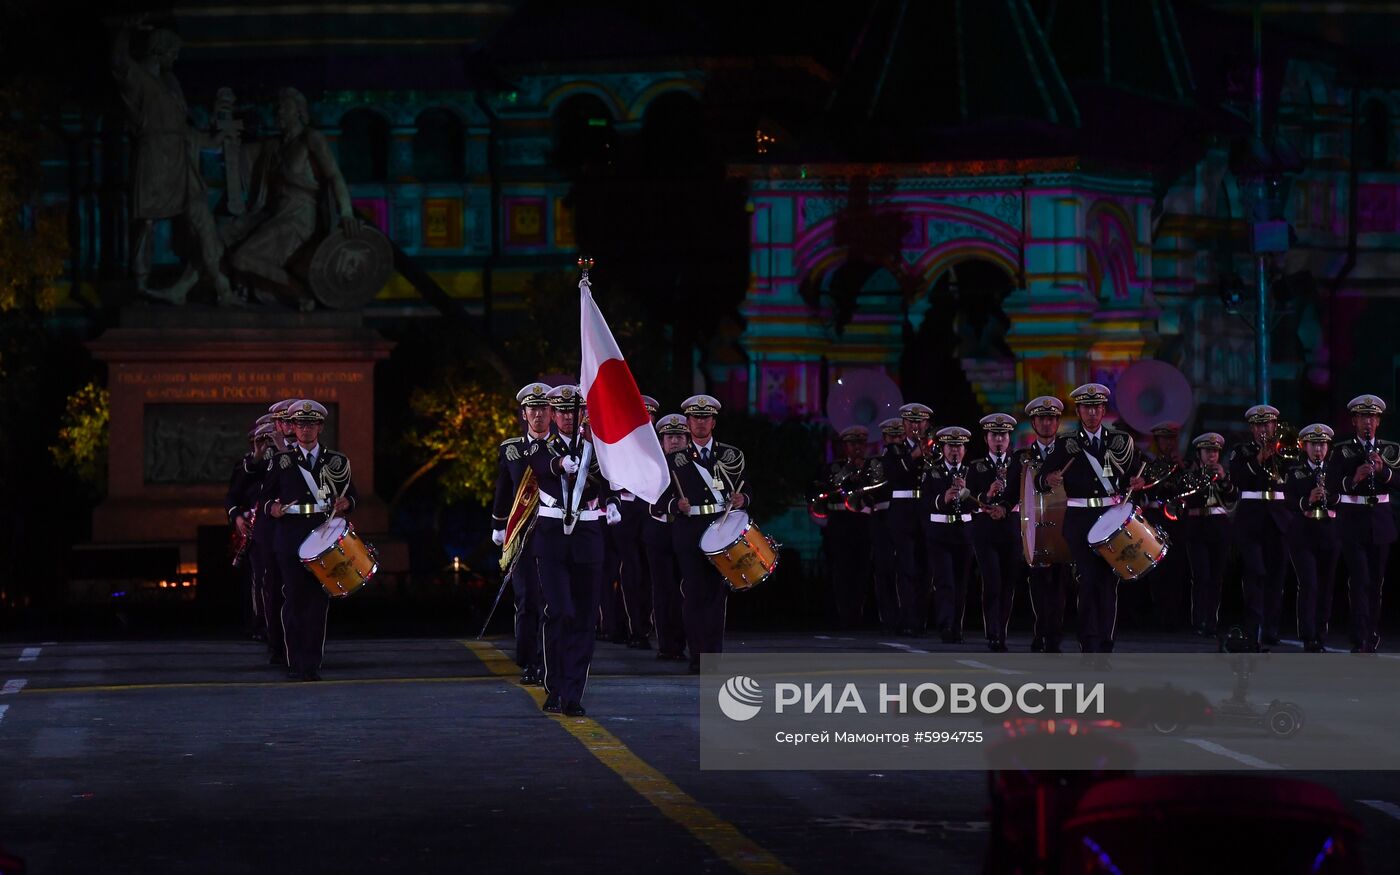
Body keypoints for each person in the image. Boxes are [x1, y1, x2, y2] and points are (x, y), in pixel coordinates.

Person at [109, 14, 237, 306]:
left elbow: (183, 130)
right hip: (155, 159)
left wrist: (212, 141)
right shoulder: (140, 78)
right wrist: (124, 31)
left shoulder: (171, 82)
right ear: (160, 51)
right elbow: (118, 64)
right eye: (173, 53)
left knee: (202, 219)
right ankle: (140, 282)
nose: (176, 58)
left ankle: (221, 286)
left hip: (181, 161)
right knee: (147, 220)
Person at [526, 385, 620, 715]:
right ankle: (554, 685)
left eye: (572, 411)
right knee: (560, 611)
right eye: (561, 411)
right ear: (552, 414)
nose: (568, 417)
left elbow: (609, 479)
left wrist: (612, 502)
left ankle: (573, 694)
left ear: (582, 414)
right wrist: (559, 463)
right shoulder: (541, 446)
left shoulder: (597, 448)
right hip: (552, 538)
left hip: (588, 535)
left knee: (583, 618)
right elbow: (541, 467)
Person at [223, 87, 358, 310]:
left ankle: (298, 290)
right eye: (277, 110)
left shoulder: (310, 138)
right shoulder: (274, 146)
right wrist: (225, 127)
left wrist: (346, 212)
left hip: (299, 217)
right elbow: (237, 153)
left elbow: (334, 175)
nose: (279, 114)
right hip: (274, 213)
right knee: (225, 233)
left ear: (298, 111)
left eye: (284, 108)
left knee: (241, 258)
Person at [1038, 384, 1146, 659]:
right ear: (1079, 411)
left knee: (1109, 583)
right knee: (1088, 581)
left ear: (1103, 410)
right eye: (1087, 407)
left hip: (1111, 520)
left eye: (1097, 407)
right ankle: (1089, 642)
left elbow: (1138, 473)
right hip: (1079, 522)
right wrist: (1049, 480)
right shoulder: (1066, 443)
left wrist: (1139, 482)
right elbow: (1041, 478)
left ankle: (1106, 644)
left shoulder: (1120, 441)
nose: (1092, 413)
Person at [653, 395, 751, 673]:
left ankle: (714, 656)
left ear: (713, 422)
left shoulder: (731, 455)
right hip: (690, 530)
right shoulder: (675, 460)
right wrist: (675, 505)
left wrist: (744, 498)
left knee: (717, 594)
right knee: (695, 593)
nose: (700, 423)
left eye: (705, 418)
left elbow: (749, 487)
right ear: (688, 422)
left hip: (722, 528)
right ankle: (697, 656)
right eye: (696, 418)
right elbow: (657, 498)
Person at [261, 400, 357, 681]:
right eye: (300, 424)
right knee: (294, 599)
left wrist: (346, 503)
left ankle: (312, 662)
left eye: (310, 424)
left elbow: (354, 494)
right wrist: (273, 508)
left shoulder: (336, 461)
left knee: (318, 602)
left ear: (320, 427)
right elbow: (265, 498)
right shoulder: (281, 461)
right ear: (293, 428)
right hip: (290, 537)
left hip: (323, 538)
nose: (305, 430)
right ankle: (295, 660)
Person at [491, 382, 553, 685]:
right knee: (526, 598)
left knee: (549, 599)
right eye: (533, 409)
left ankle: (547, 660)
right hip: (520, 534)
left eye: (543, 408)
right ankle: (528, 660)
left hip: (554, 533)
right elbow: (503, 490)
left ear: (551, 412)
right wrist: (498, 525)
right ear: (524, 413)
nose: (538, 414)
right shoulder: (511, 449)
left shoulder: (561, 448)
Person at [1326, 395, 1397, 653]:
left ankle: (1371, 632)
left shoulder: (1392, 450)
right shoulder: (1341, 450)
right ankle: (1359, 637)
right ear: (1354, 420)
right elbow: (1332, 486)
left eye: (1373, 417)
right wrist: (1354, 478)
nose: (1368, 422)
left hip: (1380, 521)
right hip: (1353, 520)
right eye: (1363, 417)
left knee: (1376, 582)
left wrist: (1383, 472)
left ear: (1378, 421)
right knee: (1360, 579)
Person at [1227, 404, 1292, 647]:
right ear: (1251, 428)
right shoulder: (1241, 451)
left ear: (1274, 426)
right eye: (1258, 425)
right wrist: (1258, 459)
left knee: (1277, 576)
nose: (1263, 430)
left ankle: (1271, 629)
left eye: (1267, 425)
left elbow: (1293, 480)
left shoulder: (1285, 451)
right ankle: (1253, 627)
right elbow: (1237, 479)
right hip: (1251, 520)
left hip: (1279, 519)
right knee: (1256, 573)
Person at [603, 394, 660, 649]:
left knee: (647, 571)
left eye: (649, 417)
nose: (646, 421)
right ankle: (627, 627)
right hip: (624, 508)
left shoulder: (657, 446)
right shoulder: (620, 443)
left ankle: (642, 626)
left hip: (649, 509)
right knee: (629, 570)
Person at [823, 425, 888, 628]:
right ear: (845, 446)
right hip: (840, 524)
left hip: (863, 522)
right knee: (841, 571)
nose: (857, 448)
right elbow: (830, 488)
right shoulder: (835, 467)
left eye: (860, 443)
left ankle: (859, 614)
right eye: (852, 444)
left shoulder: (872, 466)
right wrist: (848, 471)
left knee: (863, 570)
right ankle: (843, 615)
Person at [1019, 396, 1070, 653]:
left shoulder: (1069, 455)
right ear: (1034, 422)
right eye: (1042, 419)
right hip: (1035, 531)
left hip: (1061, 529)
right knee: (1038, 584)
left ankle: (1054, 636)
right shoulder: (1022, 458)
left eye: (1052, 419)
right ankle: (1041, 630)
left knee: (1060, 585)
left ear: (1058, 422)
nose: (1047, 423)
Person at [968, 413, 1022, 652]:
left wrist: (1005, 506)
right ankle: (993, 633)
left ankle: (1002, 631)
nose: (999, 439)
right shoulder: (976, 466)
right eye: (994, 435)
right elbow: (967, 498)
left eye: (1003, 435)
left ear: (1009, 438)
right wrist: (987, 496)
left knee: (1009, 583)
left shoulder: (1019, 465)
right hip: (985, 530)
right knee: (992, 582)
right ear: (986, 438)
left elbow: (1023, 494)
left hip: (1011, 527)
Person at [1286, 424, 1341, 652]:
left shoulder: (1335, 471)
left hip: (1329, 532)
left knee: (1327, 586)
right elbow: (1289, 500)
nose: (1318, 449)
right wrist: (1307, 499)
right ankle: (1308, 635)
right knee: (1309, 584)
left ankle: (1321, 632)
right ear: (1305, 446)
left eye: (1322, 445)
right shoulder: (1295, 471)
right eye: (1314, 445)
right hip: (1303, 534)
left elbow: (1343, 495)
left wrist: (1331, 496)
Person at [1179, 433, 1238, 639]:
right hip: (1197, 526)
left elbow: (1232, 497)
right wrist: (1202, 477)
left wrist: (1223, 479)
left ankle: (1212, 621)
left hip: (1219, 527)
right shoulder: (1189, 473)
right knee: (1201, 575)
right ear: (1199, 453)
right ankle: (1199, 620)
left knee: (1216, 577)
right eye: (1208, 451)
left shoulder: (1225, 473)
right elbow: (1187, 496)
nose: (1212, 455)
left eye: (1215, 452)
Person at [922, 426, 975, 644]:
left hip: (964, 533)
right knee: (945, 581)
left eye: (959, 446)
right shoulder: (932, 472)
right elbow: (925, 502)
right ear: (943, 448)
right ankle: (945, 624)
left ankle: (957, 626)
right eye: (951, 446)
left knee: (961, 583)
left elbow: (981, 503)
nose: (955, 451)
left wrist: (967, 492)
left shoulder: (972, 473)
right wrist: (942, 499)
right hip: (940, 534)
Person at [227, 417, 277, 643]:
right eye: (260, 439)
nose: (266, 443)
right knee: (258, 579)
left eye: (270, 437)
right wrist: (237, 517)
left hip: (279, 526)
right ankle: (259, 625)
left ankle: (278, 624)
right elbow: (233, 495)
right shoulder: (246, 464)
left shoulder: (284, 461)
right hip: (254, 529)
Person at [886, 403, 933, 634]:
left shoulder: (934, 449)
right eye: (911, 422)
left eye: (920, 422)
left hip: (925, 508)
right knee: (907, 567)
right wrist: (915, 454)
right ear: (903, 425)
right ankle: (908, 619)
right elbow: (893, 475)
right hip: (903, 511)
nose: (915, 426)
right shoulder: (894, 450)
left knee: (926, 567)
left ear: (926, 424)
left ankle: (922, 619)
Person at [647, 414, 691, 662]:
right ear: (661, 440)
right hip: (661, 534)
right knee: (664, 592)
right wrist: (674, 505)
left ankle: (687, 641)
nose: (674, 441)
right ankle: (667, 645)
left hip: (687, 533)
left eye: (679, 436)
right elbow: (652, 502)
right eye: (669, 437)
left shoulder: (695, 466)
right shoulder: (655, 466)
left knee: (690, 590)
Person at [1140, 421, 1188, 631]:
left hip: (1175, 519)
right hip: (1154, 516)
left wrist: (1182, 468)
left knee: (1176, 567)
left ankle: (1175, 615)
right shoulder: (1149, 464)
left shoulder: (1183, 463)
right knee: (1156, 568)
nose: (1167, 444)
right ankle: (1158, 615)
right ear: (1157, 441)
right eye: (1163, 439)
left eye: (1171, 439)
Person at [869, 418, 908, 632]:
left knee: (905, 568)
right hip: (883, 518)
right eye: (892, 437)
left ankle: (905, 615)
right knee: (884, 569)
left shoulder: (907, 461)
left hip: (902, 517)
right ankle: (889, 617)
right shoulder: (877, 463)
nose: (896, 441)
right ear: (884, 438)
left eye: (900, 436)